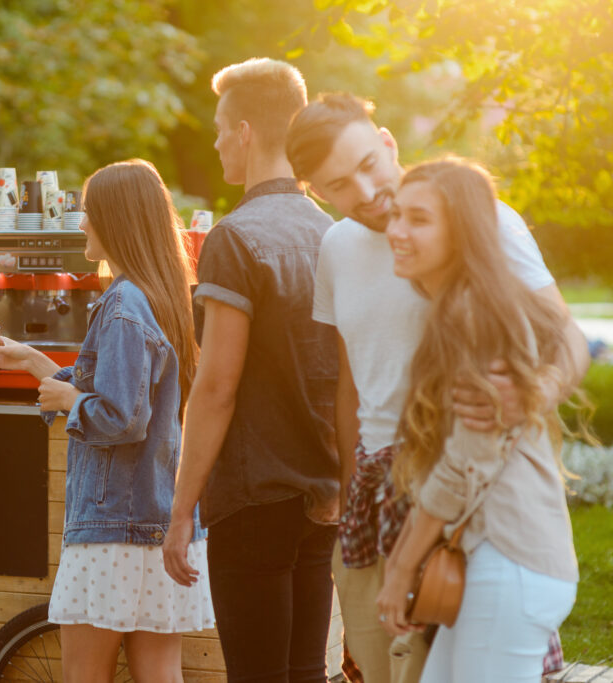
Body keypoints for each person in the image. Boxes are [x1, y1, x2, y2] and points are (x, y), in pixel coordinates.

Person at [285, 94, 589, 682]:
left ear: (389, 142)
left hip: (464, 490)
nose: (369, 192)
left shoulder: (482, 222)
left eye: (370, 164)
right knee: (380, 668)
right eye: (341, 184)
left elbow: (563, 336)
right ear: (319, 193)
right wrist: (352, 491)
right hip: (375, 489)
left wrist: (531, 395)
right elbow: (352, 379)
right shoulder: (336, 247)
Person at [0, 159, 215, 682]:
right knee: (160, 674)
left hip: (111, 528)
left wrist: (70, 401)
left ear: (116, 219)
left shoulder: (121, 304)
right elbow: (131, 393)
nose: (82, 223)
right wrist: (35, 362)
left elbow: (121, 416)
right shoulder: (162, 296)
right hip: (158, 520)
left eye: (88, 213)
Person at [162, 58, 340, 682]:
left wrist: (181, 509)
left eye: (217, 130)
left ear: (244, 132)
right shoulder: (333, 233)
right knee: (304, 672)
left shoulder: (233, 240)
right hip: (321, 494)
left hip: (253, 494)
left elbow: (215, 388)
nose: (213, 144)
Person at [375, 158, 579, 682]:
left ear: (461, 231)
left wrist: (401, 566)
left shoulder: (475, 314)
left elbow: (466, 464)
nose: (396, 230)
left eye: (419, 219)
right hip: (497, 563)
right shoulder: (460, 306)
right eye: (396, 215)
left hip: (509, 561)